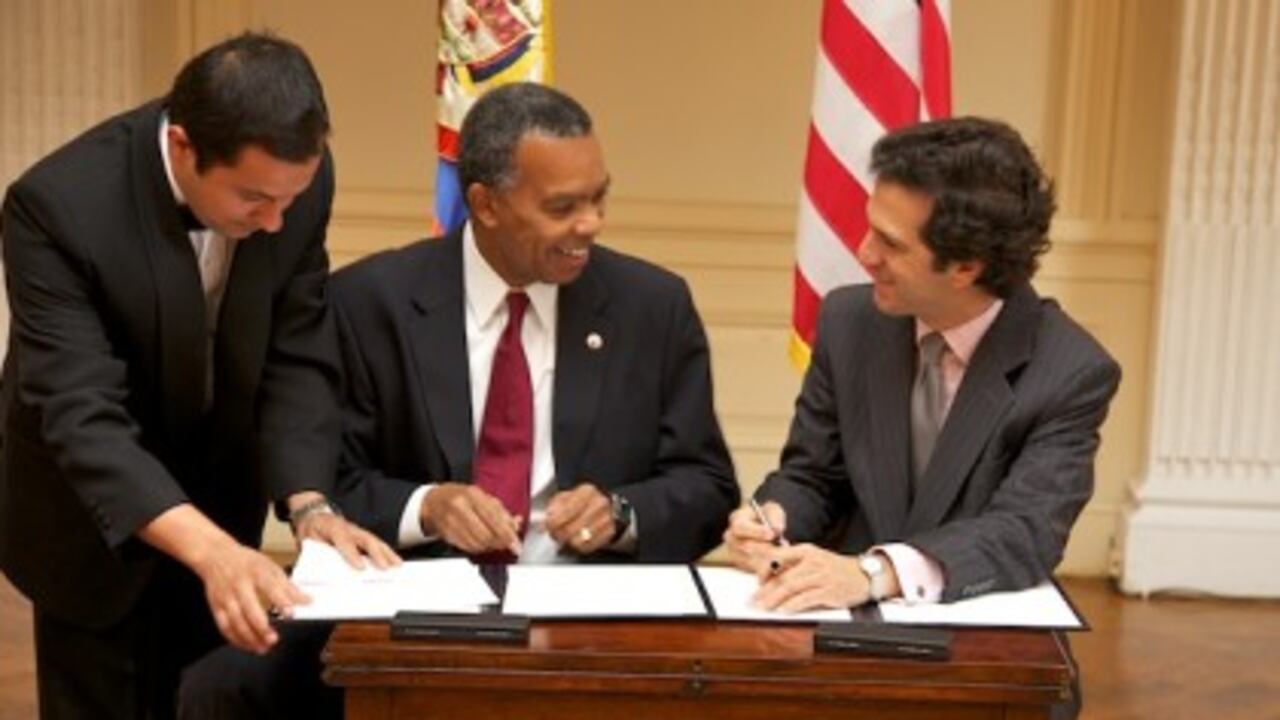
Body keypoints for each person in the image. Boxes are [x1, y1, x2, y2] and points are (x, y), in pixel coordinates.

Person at [177, 82, 739, 718]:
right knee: (221, 688)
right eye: (562, 207)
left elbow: (708, 485)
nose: (590, 224)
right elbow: (331, 486)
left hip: (588, 614)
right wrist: (428, 507)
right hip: (408, 601)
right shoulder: (371, 301)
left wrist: (622, 512)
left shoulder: (652, 306)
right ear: (485, 204)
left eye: (598, 197)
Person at [0, 32, 395, 720]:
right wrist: (211, 552)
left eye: (289, 200)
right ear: (183, 146)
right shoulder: (56, 207)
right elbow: (82, 413)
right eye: (254, 200)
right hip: (89, 523)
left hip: (220, 489)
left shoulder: (294, 182)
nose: (276, 221)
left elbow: (297, 349)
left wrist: (310, 505)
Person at [724, 117, 1119, 716]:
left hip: (982, 661)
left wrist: (873, 573)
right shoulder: (850, 323)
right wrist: (774, 517)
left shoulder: (1070, 370)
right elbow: (814, 474)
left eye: (892, 244)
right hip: (839, 652)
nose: (864, 254)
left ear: (966, 266)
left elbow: (1024, 532)